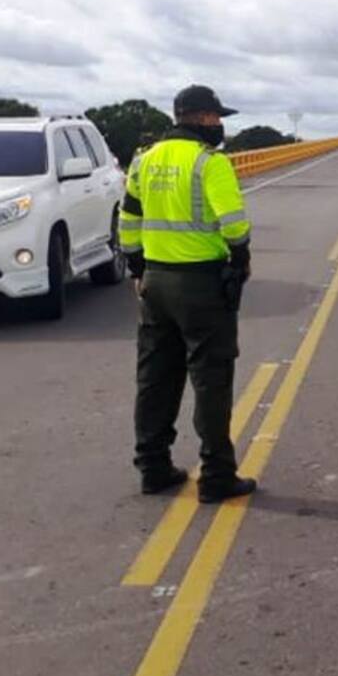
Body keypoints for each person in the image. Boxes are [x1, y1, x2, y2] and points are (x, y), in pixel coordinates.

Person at [118, 85, 257, 503]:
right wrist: (241, 258)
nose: (220, 126)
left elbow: (129, 219)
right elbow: (233, 224)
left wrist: (138, 268)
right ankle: (216, 475)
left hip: (156, 283)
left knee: (155, 378)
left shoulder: (144, 160)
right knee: (211, 380)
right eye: (217, 118)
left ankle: (153, 467)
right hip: (200, 285)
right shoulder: (210, 163)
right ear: (199, 117)